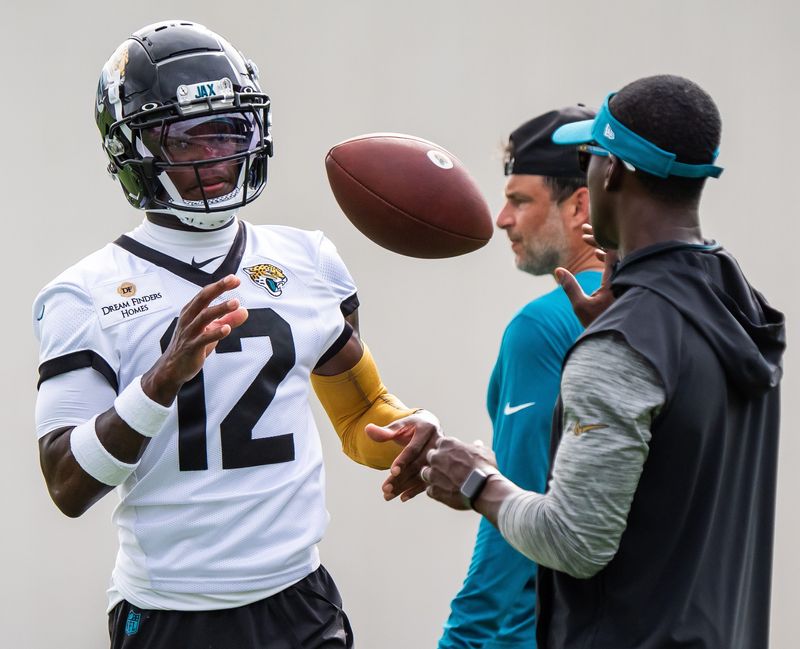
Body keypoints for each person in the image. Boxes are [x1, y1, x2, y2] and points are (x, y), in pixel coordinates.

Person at [33, 20, 438, 649]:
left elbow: (359, 416)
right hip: (171, 613)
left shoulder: (309, 260)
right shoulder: (85, 293)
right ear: (133, 148)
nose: (217, 154)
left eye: (227, 129)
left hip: (301, 603)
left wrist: (411, 436)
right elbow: (67, 485)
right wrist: (160, 380)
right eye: (189, 138)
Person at [385, 74, 785, 648]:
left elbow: (574, 539)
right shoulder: (732, 307)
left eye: (591, 156)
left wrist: (473, 480)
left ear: (612, 171)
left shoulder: (625, 342)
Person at [437, 107, 602, 649]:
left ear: (581, 204)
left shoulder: (542, 327)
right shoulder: (683, 308)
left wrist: (462, 641)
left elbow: (517, 512)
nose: (501, 218)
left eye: (520, 199)